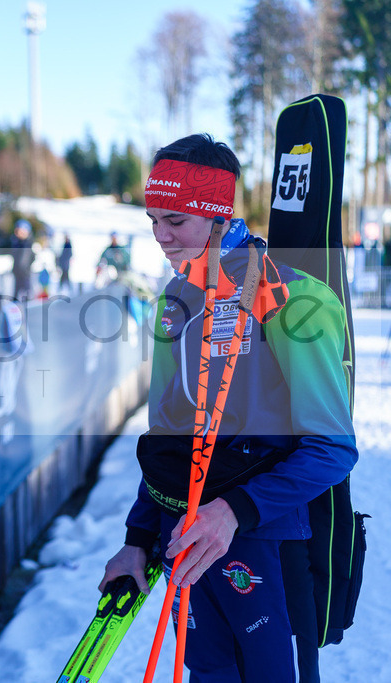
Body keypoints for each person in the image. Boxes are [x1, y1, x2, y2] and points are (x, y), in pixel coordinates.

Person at [99, 133, 357, 682]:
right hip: (184, 540)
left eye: (176, 221)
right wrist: (136, 539)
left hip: (263, 542)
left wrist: (232, 512)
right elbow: (171, 440)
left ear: (218, 216)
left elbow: (332, 449)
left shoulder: (294, 298)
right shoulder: (176, 299)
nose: (161, 238)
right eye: (153, 221)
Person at [9, 218, 35, 299]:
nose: (17, 233)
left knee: (25, 294)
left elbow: (25, 261)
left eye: (19, 231)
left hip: (24, 274)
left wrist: (22, 270)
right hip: (18, 272)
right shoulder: (16, 242)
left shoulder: (27, 244)